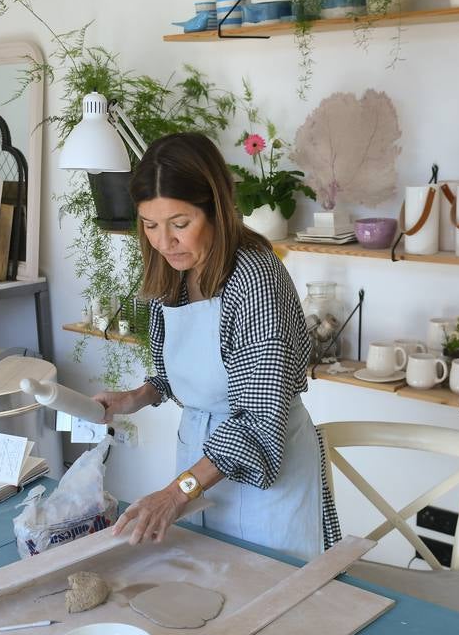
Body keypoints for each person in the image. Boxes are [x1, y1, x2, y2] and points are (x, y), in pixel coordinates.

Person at [94, 132, 340, 560]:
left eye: (180, 224)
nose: (163, 241)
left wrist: (177, 492)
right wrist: (136, 397)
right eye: (150, 225)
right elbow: (180, 372)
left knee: (267, 607)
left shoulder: (255, 280)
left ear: (216, 209)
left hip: (267, 476)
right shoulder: (172, 271)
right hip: (196, 464)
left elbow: (260, 417)